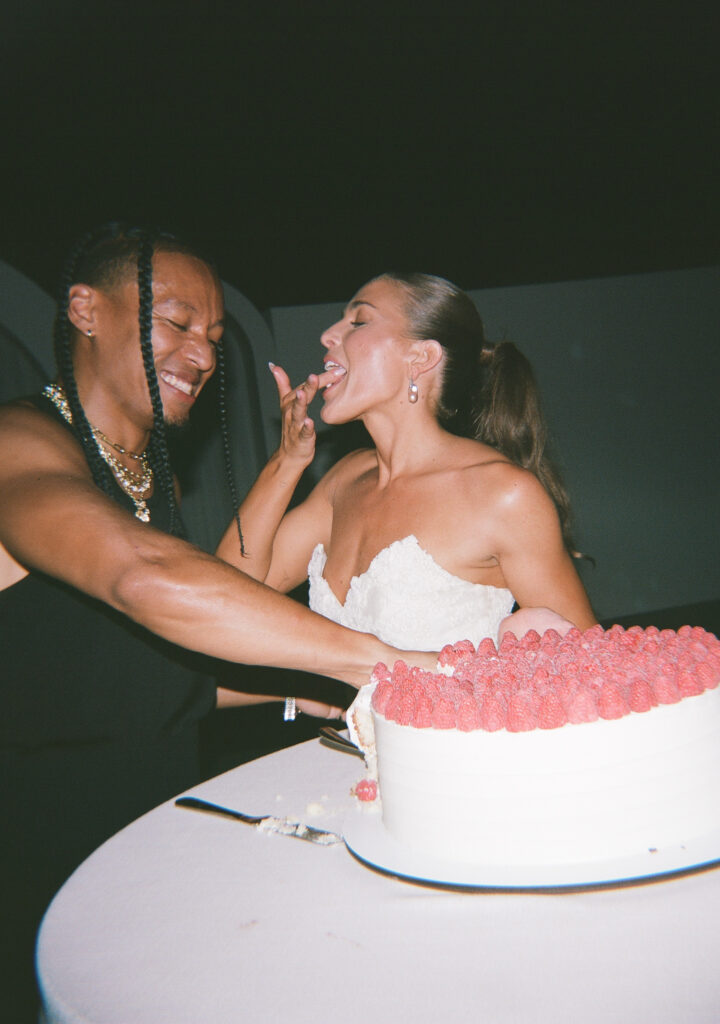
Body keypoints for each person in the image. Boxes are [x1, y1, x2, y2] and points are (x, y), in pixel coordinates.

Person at [0, 228, 433, 1022]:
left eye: (214, 334)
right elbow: (148, 579)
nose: (201, 352)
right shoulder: (18, 441)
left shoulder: (147, 478)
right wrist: (376, 661)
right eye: (175, 322)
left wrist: (304, 690)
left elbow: (142, 667)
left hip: (140, 841)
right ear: (85, 311)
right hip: (32, 857)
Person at [217, 271, 596, 650]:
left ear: (421, 357)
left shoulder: (502, 494)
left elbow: (590, 663)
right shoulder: (344, 480)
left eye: (358, 321)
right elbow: (226, 601)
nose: (328, 335)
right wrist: (286, 460)